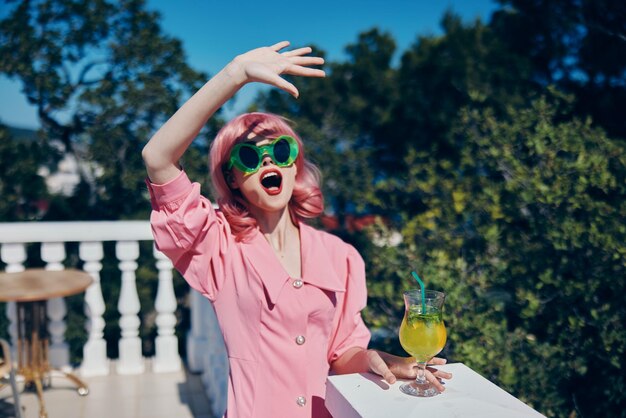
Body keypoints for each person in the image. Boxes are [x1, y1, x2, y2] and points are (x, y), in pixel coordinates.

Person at [142, 41, 452, 418]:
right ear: (233, 179)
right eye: (250, 156)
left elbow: (341, 354)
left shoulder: (341, 256)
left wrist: (385, 359)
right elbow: (157, 158)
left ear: (294, 165)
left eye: (281, 151)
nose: (268, 159)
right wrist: (235, 73)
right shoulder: (217, 246)